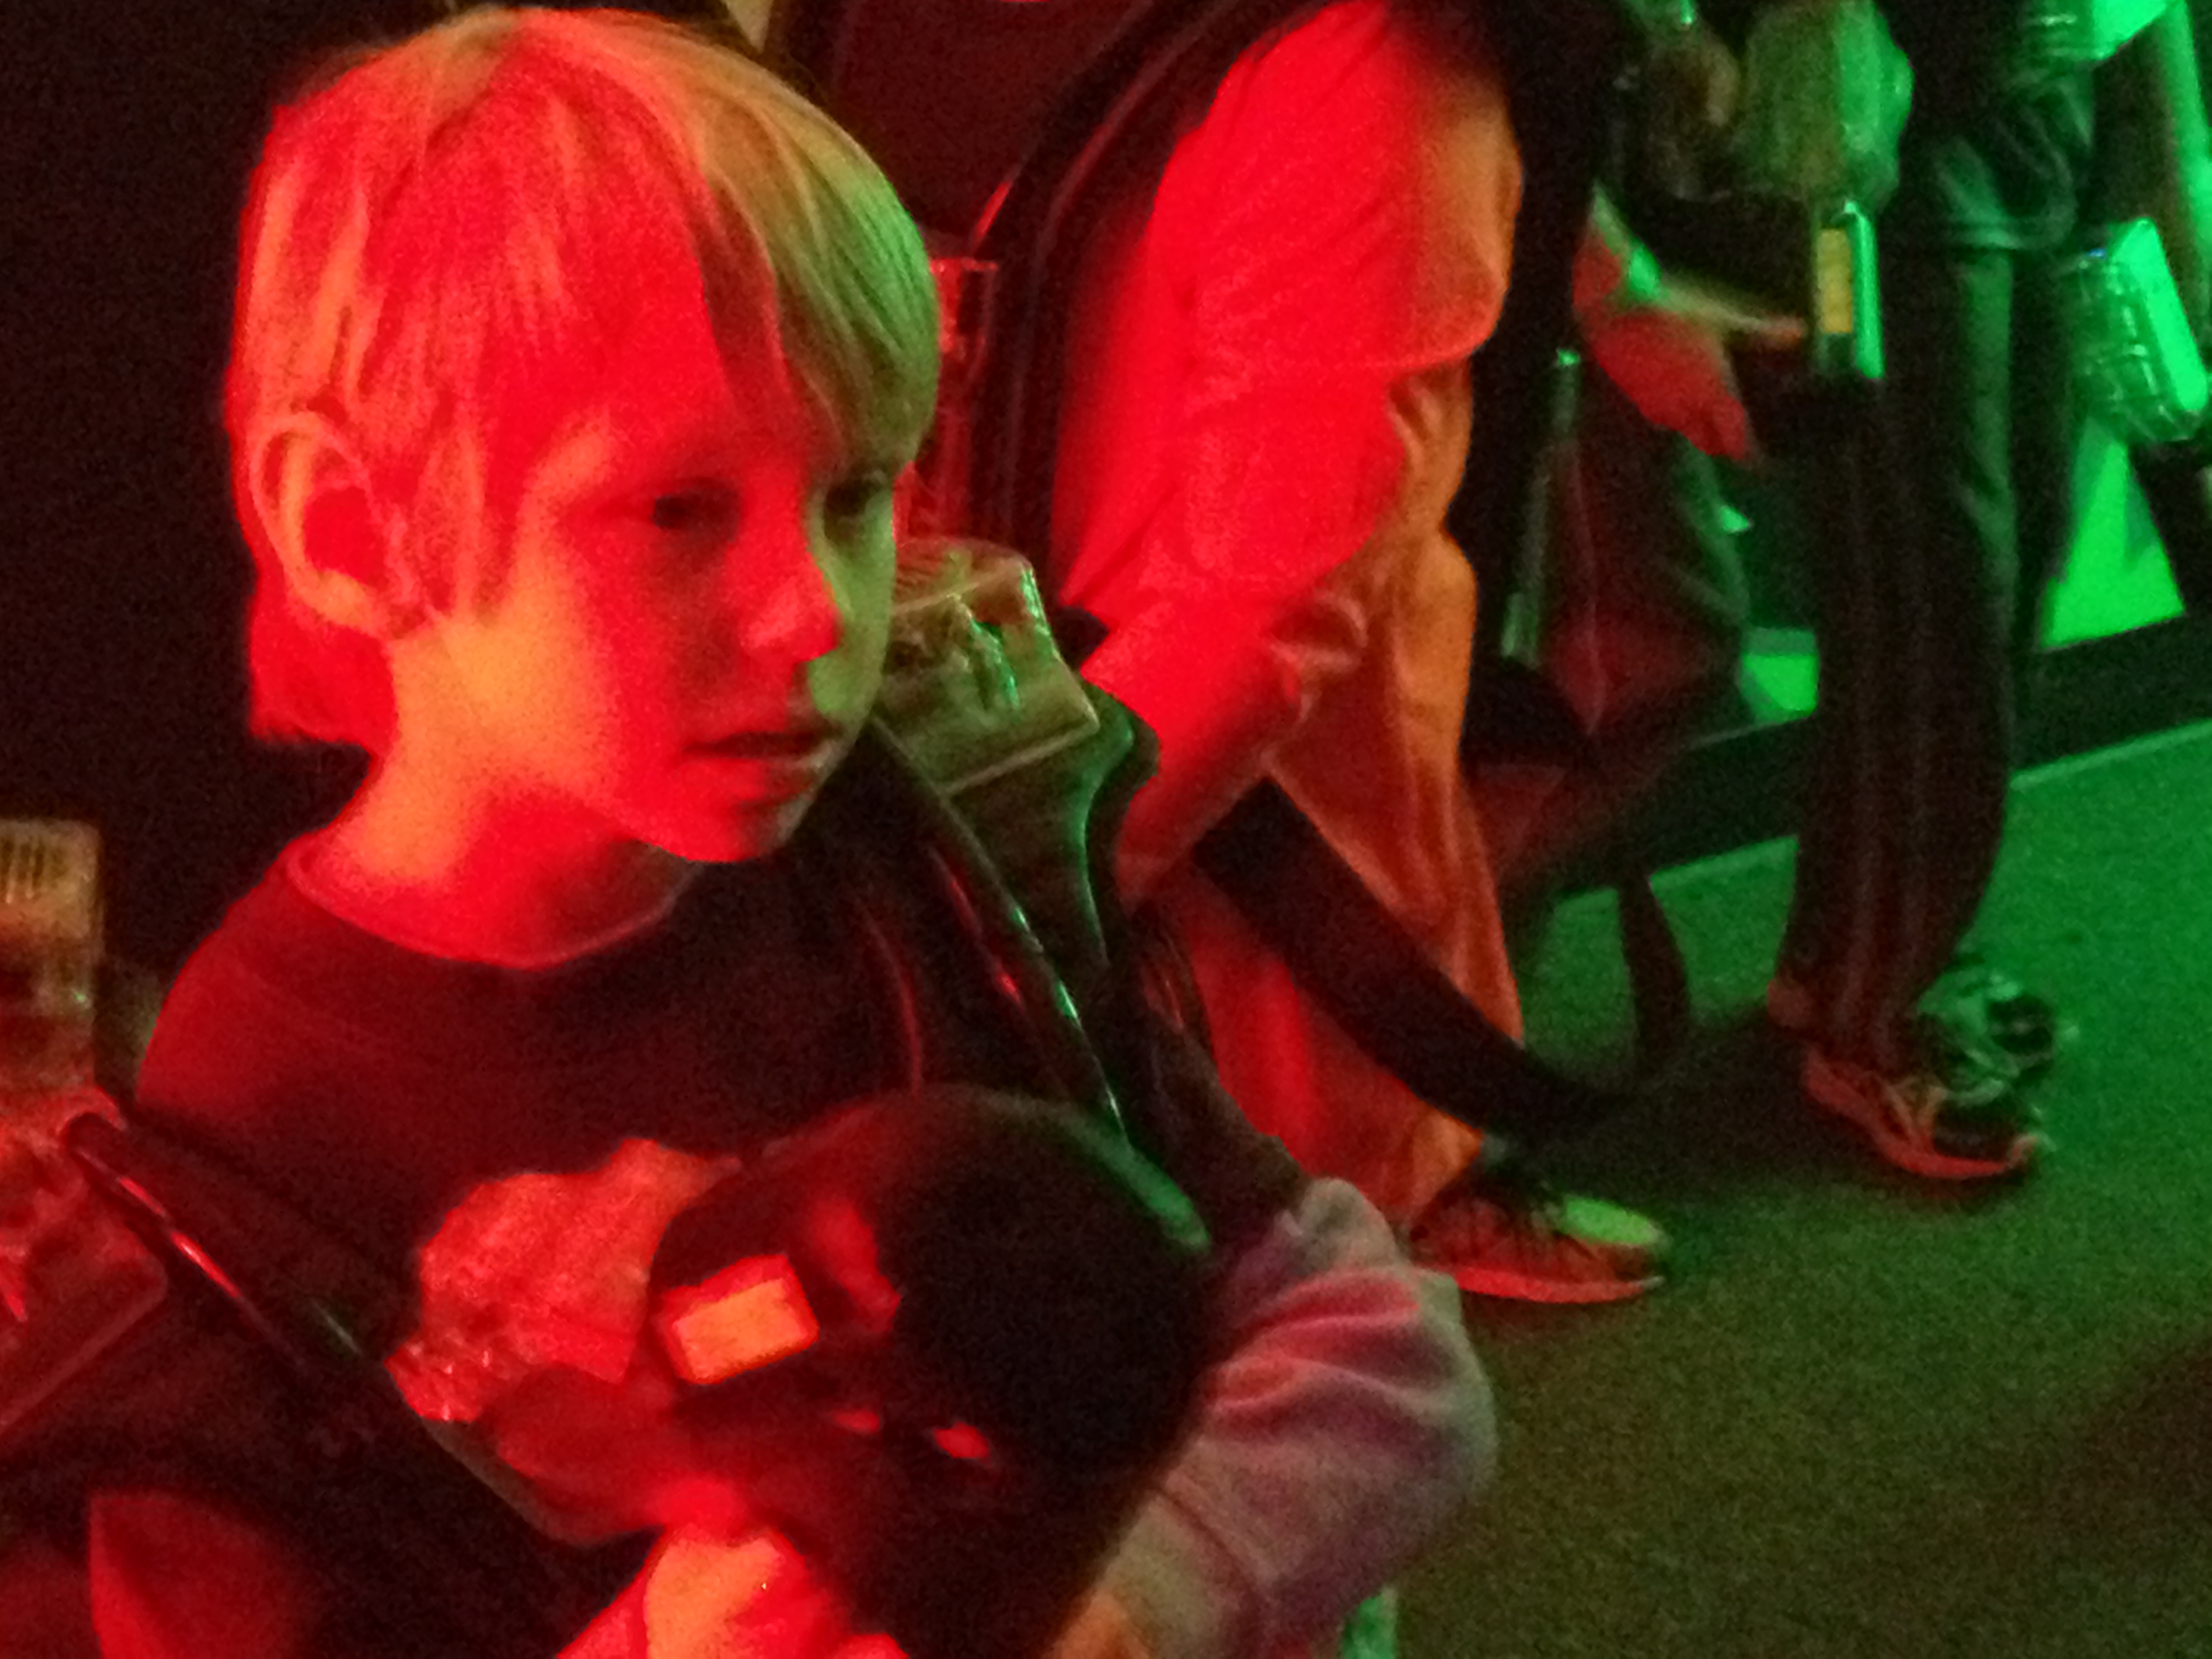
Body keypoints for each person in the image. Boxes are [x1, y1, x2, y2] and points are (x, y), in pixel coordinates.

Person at [33, 9, 1494, 1654]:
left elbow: (1379, 1348)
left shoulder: (926, 882)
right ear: (354, 528)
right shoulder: (243, 1137)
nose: (822, 612)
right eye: (679, 508)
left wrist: (1122, 1599)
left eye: (858, 494)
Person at [1041, 0, 1677, 1303]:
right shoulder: (1364, 67)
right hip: (1204, 799)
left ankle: (1427, 1176)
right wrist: (1032, 891)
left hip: (1053, 725)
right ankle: (1405, 1198)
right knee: (1285, 1299)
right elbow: (1266, 612)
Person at [1738, 0, 2211, 1179]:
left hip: (2049, 106)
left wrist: (2162, 151)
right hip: (1897, 122)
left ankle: (1849, 953)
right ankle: (1880, 1015)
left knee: (2003, 565)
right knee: (1939, 585)